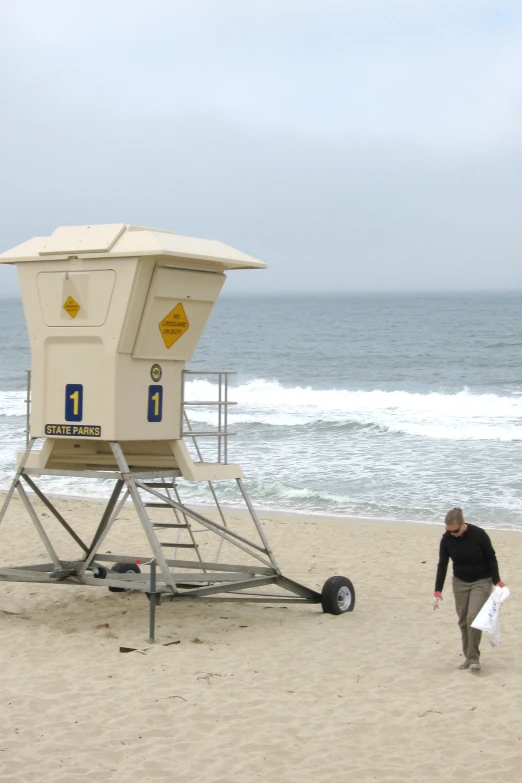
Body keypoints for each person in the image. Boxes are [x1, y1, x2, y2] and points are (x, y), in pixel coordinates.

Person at [433, 507, 506, 671]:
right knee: (463, 620)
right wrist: (437, 590)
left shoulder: (479, 534)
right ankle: (469, 657)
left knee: (473, 617)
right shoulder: (446, 539)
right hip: (459, 582)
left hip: (482, 580)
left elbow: (491, 558)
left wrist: (497, 581)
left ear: (463, 523)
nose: (453, 534)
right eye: (449, 531)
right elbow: (443, 564)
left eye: (455, 530)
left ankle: (474, 659)